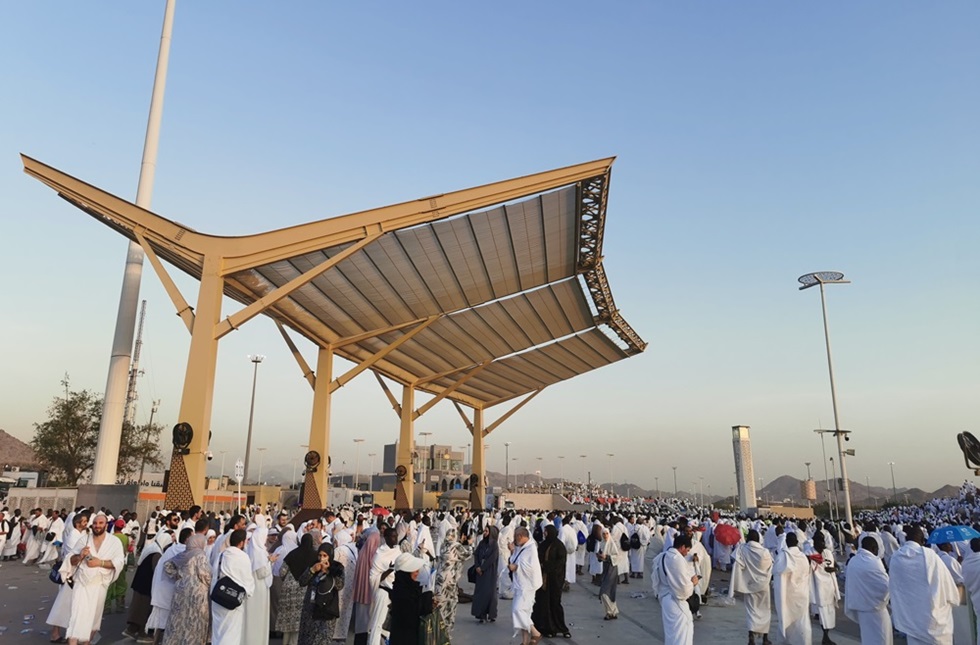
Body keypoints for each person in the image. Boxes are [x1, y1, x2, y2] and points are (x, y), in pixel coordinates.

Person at [889, 525, 959, 645]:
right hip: (932, 618)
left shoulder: (895, 558)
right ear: (922, 540)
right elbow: (946, 584)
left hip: (910, 617)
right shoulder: (930, 556)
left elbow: (896, 587)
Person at [65, 513, 125, 645]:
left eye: (101, 523)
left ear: (106, 525)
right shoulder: (84, 540)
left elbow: (119, 562)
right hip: (82, 583)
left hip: (99, 584)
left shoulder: (114, 542)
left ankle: (87, 643)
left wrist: (100, 563)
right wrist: (80, 556)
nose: (97, 526)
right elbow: (70, 560)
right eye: (95, 523)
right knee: (76, 616)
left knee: (94, 619)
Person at [47, 511, 91, 643]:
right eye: (84, 522)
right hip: (70, 574)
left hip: (76, 575)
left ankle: (67, 634)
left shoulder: (81, 534)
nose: (86, 523)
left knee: (69, 606)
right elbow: (75, 555)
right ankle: (56, 634)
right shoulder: (73, 535)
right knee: (63, 605)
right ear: (78, 524)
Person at [161, 534, 211, 645]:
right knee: (194, 621)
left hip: (180, 591)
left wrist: (178, 575)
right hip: (196, 594)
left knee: (178, 620)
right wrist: (211, 583)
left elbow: (167, 565)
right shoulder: (200, 555)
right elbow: (204, 574)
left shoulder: (183, 554)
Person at [843, 536, 892, 645]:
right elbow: (886, 587)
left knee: (868, 639)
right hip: (877, 612)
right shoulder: (874, 562)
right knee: (882, 639)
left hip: (862, 611)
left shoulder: (853, 561)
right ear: (874, 548)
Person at [210, 529, 256, 645]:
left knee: (217, 633)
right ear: (241, 542)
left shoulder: (221, 555)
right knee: (231, 634)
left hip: (218, 597)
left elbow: (214, 575)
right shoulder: (243, 557)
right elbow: (248, 580)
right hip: (232, 600)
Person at [730, 529, 773, 645]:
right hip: (764, 585)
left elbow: (738, 564)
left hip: (749, 584)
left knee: (751, 610)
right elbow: (770, 566)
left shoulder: (742, 549)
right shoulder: (765, 552)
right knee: (765, 610)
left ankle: (751, 637)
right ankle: (765, 638)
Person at [298, 543, 345, 645]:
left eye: (325, 555)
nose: (321, 558)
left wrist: (327, 572)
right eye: (320, 555)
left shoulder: (337, 568)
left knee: (323, 638)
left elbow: (340, 585)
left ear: (330, 556)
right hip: (311, 608)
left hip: (327, 608)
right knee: (308, 639)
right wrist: (312, 570)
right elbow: (302, 582)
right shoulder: (313, 565)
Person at [656, 533, 697, 645]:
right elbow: (683, 590)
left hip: (666, 599)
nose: (687, 553)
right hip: (675, 601)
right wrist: (692, 583)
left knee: (672, 634)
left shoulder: (663, 556)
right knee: (681, 634)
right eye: (687, 550)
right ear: (682, 547)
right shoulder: (676, 559)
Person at [773, 532, 812, 645]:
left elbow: (777, 575)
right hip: (802, 594)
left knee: (787, 620)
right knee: (802, 622)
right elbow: (806, 575)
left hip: (788, 594)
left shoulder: (783, 556)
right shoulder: (803, 557)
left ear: (786, 542)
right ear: (797, 542)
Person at [279, 533, 318, 645]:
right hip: (305, 589)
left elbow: (282, 572)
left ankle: (286, 642)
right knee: (300, 621)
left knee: (289, 619)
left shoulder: (292, 554)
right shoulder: (315, 556)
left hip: (289, 589)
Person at [532, 525, 570, 638]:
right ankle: (546, 628)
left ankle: (560, 628)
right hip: (543, 580)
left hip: (554, 580)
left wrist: (547, 566)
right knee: (543, 603)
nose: (544, 534)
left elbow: (561, 562)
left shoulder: (559, 546)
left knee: (555, 603)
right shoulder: (543, 545)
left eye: (546, 532)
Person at [388, 552, 433, 645]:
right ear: (406, 573)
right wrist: (427, 598)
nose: (418, 573)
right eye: (415, 571)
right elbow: (414, 613)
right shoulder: (403, 592)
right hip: (404, 638)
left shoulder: (405, 587)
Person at [509, 526, 544, 645]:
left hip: (528, 586)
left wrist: (517, 567)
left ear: (520, 536)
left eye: (515, 537)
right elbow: (515, 560)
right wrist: (512, 551)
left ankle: (535, 633)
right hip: (520, 585)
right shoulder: (521, 547)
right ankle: (524, 641)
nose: (514, 539)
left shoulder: (531, 549)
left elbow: (532, 569)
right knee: (525, 613)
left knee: (518, 610)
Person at [243, 524, 277, 642]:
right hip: (259, 588)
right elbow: (262, 573)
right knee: (258, 616)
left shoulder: (253, 550)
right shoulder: (259, 552)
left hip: (256, 587)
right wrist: (270, 561)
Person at [367, 528, 401, 645]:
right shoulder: (379, 555)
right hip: (383, 592)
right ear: (386, 538)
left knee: (388, 627)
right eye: (392, 536)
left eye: (396, 536)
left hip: (395, 592)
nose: (395, 539)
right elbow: (373, 578)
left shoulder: (398, 551)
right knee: (377, 625)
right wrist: (389, 570)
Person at [809, 532, 840, 645]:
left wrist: (834, 569)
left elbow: (834, 565)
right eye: (819, 541)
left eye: (823, 541)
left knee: (830, 613)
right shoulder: (810, 553)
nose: (822, 544)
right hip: (819, 588)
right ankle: (825, 637)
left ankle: (826, 636)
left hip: (830, 586)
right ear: (815, 542)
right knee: (823, 614)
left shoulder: (827, 552)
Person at [471, 525, 500, 624]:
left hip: (489, 572)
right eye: (484, 531)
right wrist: (477, 566)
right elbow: (476, 554)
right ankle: (481, 614)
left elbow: (492, 558)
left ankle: (491, 614)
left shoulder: (494, 545)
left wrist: (483, 568)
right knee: (481, 594)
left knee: (490, 594)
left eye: (487, 531)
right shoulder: (482, 543)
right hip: (480, 573)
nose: (484, 533)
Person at [597, 524, 621, 620]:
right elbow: (601, 555)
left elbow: (617, 556)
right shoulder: (602, 544)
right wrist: (600, 557)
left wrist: (607, 557)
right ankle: (613, 611)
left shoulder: (611, 544)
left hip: (612, 568)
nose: (605, 535)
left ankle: (610, 611)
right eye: (603, 534)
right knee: (609, 591)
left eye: (607, 533)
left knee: (604, 591)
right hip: (606, 568)